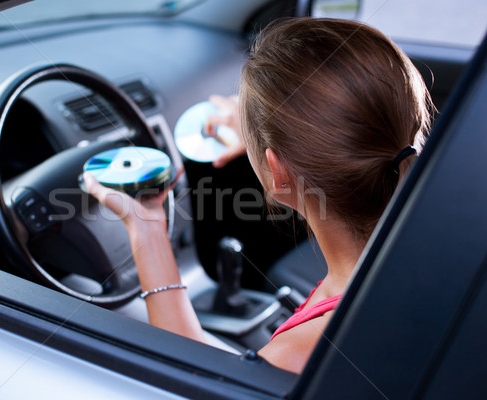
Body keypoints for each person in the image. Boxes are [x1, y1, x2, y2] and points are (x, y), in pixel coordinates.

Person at [83, 18, 434, 374]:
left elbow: (194, 376)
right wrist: (266, 132)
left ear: (278, 172)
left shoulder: (295, 357)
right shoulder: (442, 230)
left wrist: (146, 228)